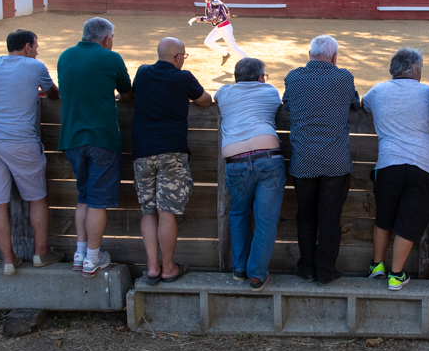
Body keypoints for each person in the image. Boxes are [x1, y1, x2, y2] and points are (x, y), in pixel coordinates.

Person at [0, 29, 62, 276]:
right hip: (18, 140)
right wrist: (39, 93)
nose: (37, 50)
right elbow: (54, 93)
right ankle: (41, 252)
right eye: (35, 46)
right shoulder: (35, 66)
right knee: (36, 197)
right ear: (26, 47)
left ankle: (8, 258)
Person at [132, 38, 212, 283]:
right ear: (178, 58)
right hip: (171, 151)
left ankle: (153, 267)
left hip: (142, 151)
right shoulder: (183, 77)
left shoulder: (143, 73)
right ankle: (168, 267)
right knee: (166, 212)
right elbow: (205, 99)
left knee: (148, 211)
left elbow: (134, 92)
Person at [57, 17, 131, 275]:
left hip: (71, 138)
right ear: (107, 38)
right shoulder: (111, 58)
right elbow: (128, 93)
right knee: (98, 201)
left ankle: (80, 252)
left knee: (84, 196)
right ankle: (93, 257)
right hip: (102, 137)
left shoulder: (65, 56)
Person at [283, 35, 359, 285]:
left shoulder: (293, 77)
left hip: (304, 160)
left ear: (310, 54)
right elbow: (355, 104)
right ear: (334, 57)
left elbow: (286, 104)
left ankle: (306, 267)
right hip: (335, 161)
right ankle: (325, 270)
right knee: (329, 218)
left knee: (305, 216)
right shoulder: (343, 77)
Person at [363, 48, 429, 291]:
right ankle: (396, 275)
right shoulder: (427, 92)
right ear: (415, 70)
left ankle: (377, 264)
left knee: (384, 218)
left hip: (388, 164)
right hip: (422, 165)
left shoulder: (377, 91)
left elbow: (363, 105)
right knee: (409, 221)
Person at [215, 57, 283, 291]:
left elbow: (216, 96)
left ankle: (239, 269)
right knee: (266, 220)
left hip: (236, 161)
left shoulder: (224, 92)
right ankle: (256, 275)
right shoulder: (270, 92)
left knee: (239, 213)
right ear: (260, 77)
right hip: (268, 158)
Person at [189, 0, 247, 66]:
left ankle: (248, 63)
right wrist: (227, 11)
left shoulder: (214, 2)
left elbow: (214, 18)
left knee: (234, 48)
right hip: (220, 27)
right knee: (208, 42)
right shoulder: (213, 0)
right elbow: (222, 4)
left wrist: (200, 19)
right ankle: (225, 54)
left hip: (225, 28)